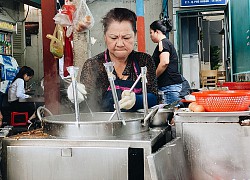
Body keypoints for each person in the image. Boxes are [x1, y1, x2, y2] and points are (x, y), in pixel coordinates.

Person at [78, 8, 158, 112]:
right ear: (105, 37)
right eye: (113, 38)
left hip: (139, 126)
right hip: (103, 126)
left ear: (135, 36)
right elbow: (86, 106)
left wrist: (136, 100)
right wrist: (76, 97)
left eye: (126, 38)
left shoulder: (144, 60)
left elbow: (155, 97)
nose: (120, 44)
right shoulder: (93, 65)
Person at [150, 19, 184, 105]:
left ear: (157, 32)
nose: (150, 35)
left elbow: (164, 62)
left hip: (169, 87)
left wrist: (153, 77)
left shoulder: (163, 43)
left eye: (151, 32)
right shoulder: (166, 43)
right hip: (170, 86)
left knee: (171, 115)